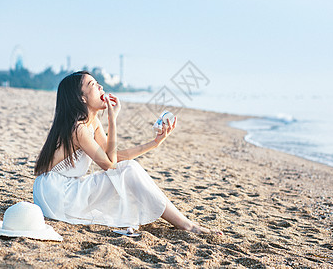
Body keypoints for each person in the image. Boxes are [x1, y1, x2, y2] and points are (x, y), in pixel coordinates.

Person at [33, 71, 220, 235]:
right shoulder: (78, 128)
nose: (100, 86)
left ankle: (184, 223)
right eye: (92, 84)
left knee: (128, 169)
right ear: (81, 98)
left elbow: (114, 157)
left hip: (65, 189)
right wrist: (113, 120)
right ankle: (186, 225)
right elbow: (110, 165)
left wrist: (154, 143)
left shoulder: (91, 123)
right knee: (127, 170)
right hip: (56, 194)